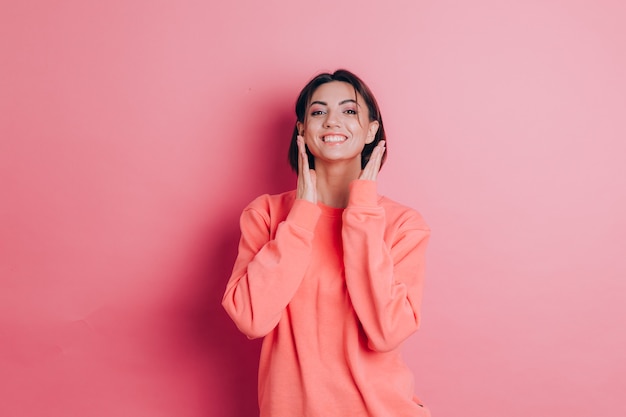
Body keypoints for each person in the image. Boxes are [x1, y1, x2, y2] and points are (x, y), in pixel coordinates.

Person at [222, 69, 431, 417]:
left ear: (370, 130)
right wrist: (302, 213)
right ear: (302, 129)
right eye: (318, 112)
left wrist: (363, 210)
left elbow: (387, 333)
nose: (333, 120)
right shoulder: (267, 215)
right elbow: (251, 319)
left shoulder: (403, 225)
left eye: (349, 111)